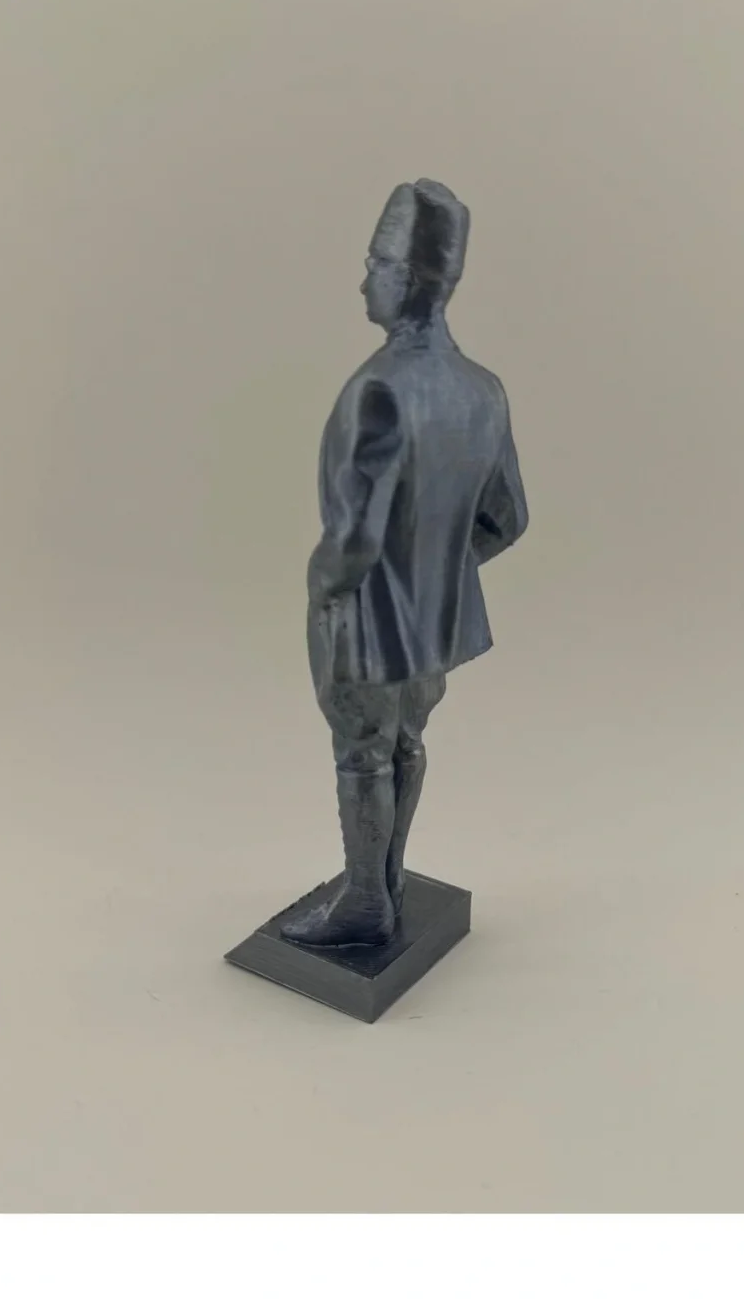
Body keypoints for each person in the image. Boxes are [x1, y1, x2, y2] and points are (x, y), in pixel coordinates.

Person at [280, 179, 529, 947]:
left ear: (410, 278)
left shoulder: (380, 390)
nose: (365, 280)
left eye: (376, 264)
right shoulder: (483, 391)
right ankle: (384, 884)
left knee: (363, 752)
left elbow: (352, 542)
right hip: (435, 621)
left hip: (368, 617)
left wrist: (324, 594)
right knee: (407, 742)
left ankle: (366, 901)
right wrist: (440, 567)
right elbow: (508, 520)